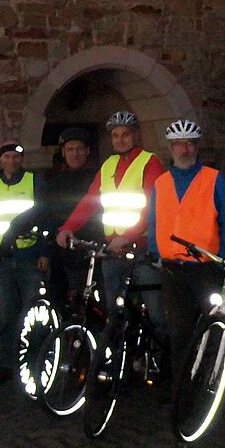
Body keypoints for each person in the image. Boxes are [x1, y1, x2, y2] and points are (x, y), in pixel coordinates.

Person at [146, 119, 225, 372]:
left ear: (196, 147)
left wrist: (224, 259)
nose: (184, 149)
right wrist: (155, 252)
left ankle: (215, 386)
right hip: (172, 269)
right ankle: (182, 394)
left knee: (214, 329)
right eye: (179, 144)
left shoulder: (213, 179)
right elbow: (153, 221)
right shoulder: (161, 183)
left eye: (189, 144)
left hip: (205, 268)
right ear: (171, 148)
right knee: (180, 335)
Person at [55, 111, 165, 306]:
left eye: (125, 135)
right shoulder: (108, 165)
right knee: (114, 312)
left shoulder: (150, 162)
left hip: (141, 248)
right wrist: (68, 227)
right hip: (113, 249)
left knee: (154, 310)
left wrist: (128, 236)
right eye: (115, 135)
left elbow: (152, 206)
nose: (120, 140)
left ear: (136, 136)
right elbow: (90, 200)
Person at [0, 142, 46, 376]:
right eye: (7, 156)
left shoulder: (34, 181)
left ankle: (34, 359)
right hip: (1, 259)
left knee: (32, 312)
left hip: (29, 256)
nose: (11, 161)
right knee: (6, 314)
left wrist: (44, 252)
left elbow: (44, 216)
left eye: (16, 157)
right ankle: (7, 363)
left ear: (21, 159)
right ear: (1, 159)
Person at [43, 127, 100, 303]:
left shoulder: (99, 178)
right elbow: (45, 212)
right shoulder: (53, 182)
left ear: (87, 151)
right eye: (70, 149)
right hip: (61, 252)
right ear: (63, 152)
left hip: (91, 250)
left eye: (79, 149)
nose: (75, 154)